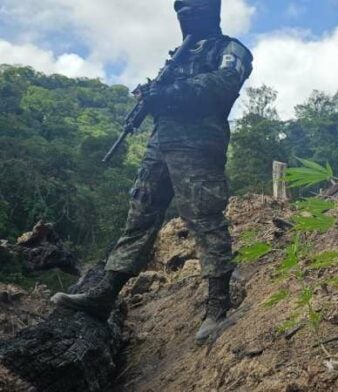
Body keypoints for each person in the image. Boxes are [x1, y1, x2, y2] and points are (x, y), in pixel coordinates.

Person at [51, 0, 253, 344]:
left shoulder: (229, 49)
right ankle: (105, 295)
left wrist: (170, 92)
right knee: (139, 216)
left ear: (212, 11)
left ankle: (217, 307)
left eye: (193, 7)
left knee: (204, 218)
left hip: (198, 142)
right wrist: (152, 96)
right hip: (161, 142)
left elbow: (224, 84)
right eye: (180, 9)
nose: (185, 14)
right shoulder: (177, 55)